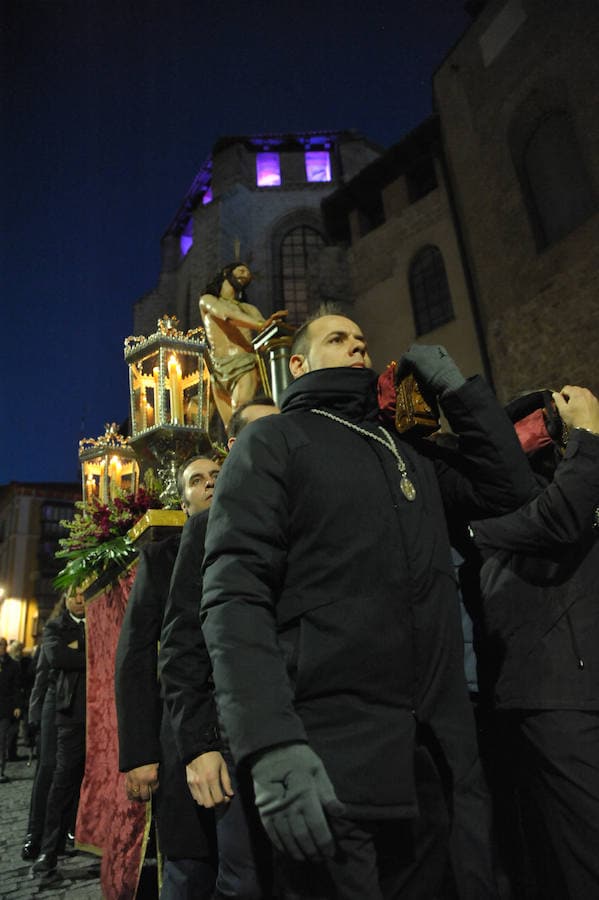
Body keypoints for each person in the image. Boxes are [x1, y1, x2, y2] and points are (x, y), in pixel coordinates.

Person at [199, 309, 538, 899]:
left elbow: (508, 489)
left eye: (362, 338)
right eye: (338, 339)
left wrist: (458, 393)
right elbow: (234, 594)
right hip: (333, 759)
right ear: (297, 364)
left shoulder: (408, 450)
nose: (358, 347)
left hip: (437, 758)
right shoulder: (273, 440)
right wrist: (269, 741)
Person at [469, 385, 599, 900]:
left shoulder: (581, 487)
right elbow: (557, 520)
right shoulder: (481, 511)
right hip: (552, 698)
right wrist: (586, 433)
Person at [159, 397, 280, 899]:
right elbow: (178, 645)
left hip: (311, 724)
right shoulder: (203, 530)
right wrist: (199, 745)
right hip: (235, 733)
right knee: (243, 878)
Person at [115, 454, 222, 900]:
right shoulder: (161, 560)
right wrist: (140, 752)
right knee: (189, 871)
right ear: (184, 502)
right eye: (197, 480)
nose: (210, 484)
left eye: (217, 475)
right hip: (182, 738)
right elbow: (135, 655)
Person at [30, 588, 87, 884]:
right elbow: (57, 657)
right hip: (70, 715)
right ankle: (46, 855)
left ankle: (78, 838)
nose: (79, 599)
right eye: (73, 594)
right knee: (61, 781)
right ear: (65, 598)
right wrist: (88, 652)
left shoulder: (94, 625)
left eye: (84, 594)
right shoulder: (55, 626)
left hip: (98, 715)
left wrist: (80, 647)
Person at [199, 262, 286, 429]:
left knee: (240, 411)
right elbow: (226, 315)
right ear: (226, 273)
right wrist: (261, 325)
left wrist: (271, 326)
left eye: (248, 274)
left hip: (244, 364)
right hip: (216, 370)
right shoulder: (207, 300)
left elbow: (264, 330)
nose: (245, 275)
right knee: (229, 426)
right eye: (241, 270)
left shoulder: (249, 309)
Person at [0, 636, 22, 783]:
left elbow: (17, 688)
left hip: (5, 708)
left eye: (1, 645)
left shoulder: (13, 665)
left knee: (2, 740)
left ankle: (0, 771)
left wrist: (17, 706)